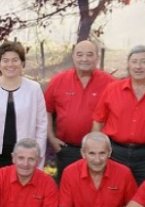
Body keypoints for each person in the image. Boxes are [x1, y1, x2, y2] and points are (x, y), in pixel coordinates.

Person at [90, 45, 145, 185]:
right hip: (115, 153)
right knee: (113, 192)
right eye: (134, 61)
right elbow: (98, 122)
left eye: (144, 62)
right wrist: (95, 151)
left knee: (144, 197)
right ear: (128, 65)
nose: (138, 66)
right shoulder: (112, 89)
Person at [0, 41, 49, 189]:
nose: (10, 64)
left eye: (15, 60)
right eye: (5, 60)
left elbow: (41, 127)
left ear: (22, 63)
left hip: (24, 159)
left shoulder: (34, 89)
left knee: (22, 201)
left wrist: (37, 162)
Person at [45, 40, 116, 177]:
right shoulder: (58, 81)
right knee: (67, 191)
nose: (84, 59)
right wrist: (51, 137)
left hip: (98, 154)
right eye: (80, 54)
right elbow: (46, 110)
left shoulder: (110, 83)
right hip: (67, 149)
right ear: (73, 57)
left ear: (97, 57)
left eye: (89, 55)